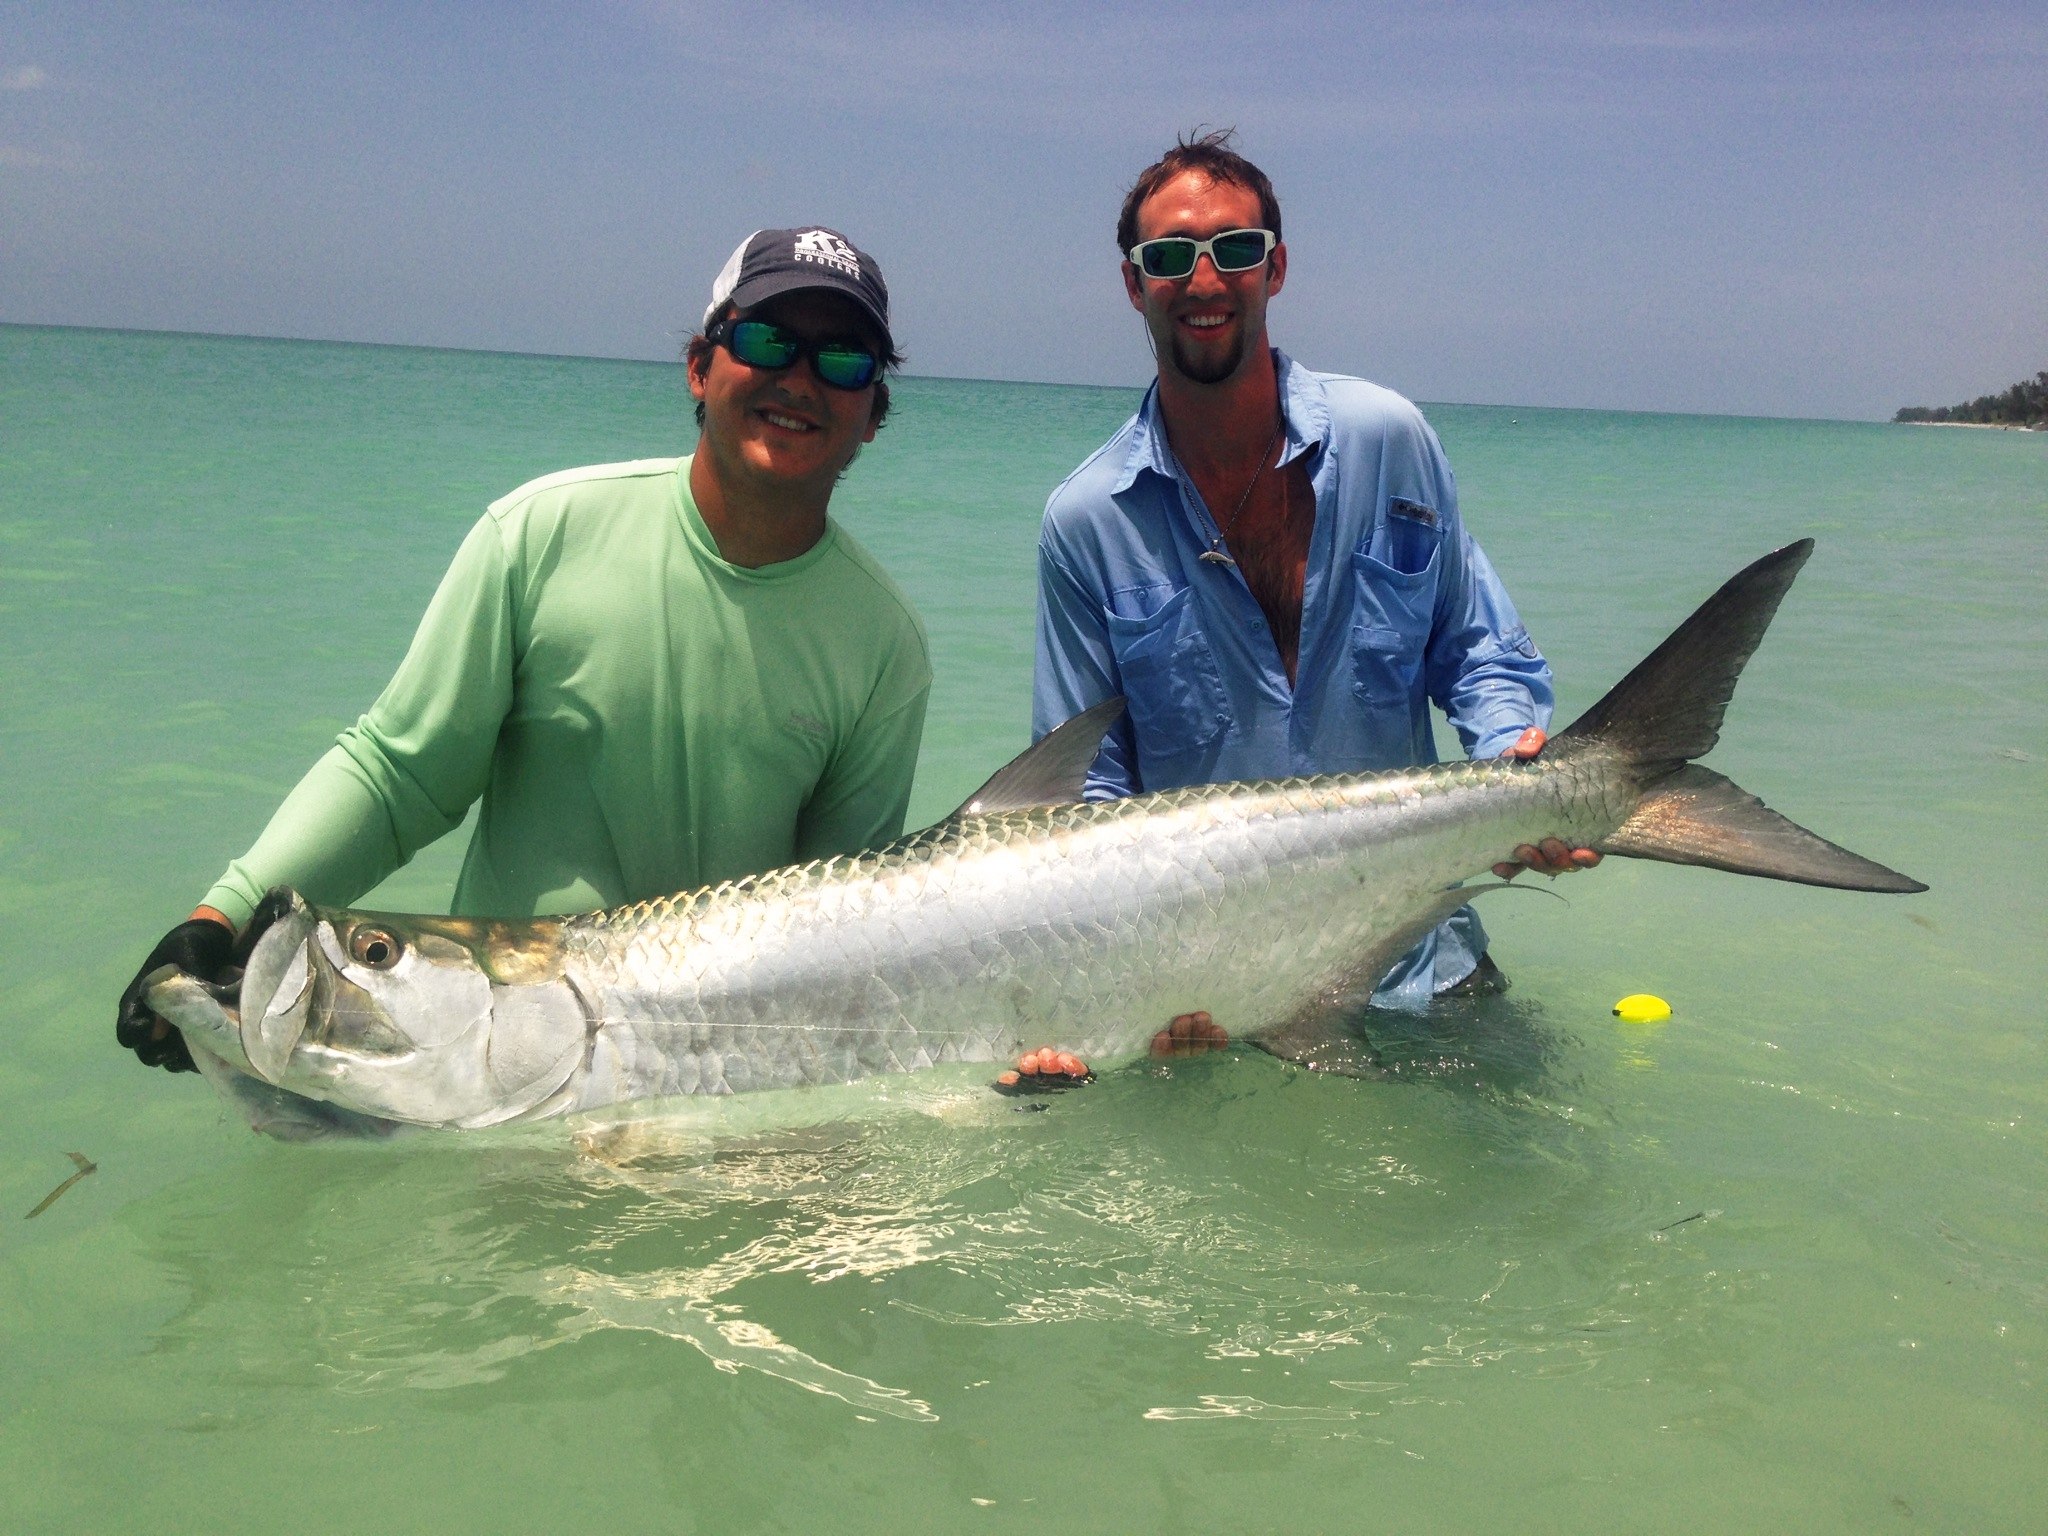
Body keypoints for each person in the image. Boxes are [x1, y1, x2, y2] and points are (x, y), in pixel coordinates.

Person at [118, 226, 932, 1074]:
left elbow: (840, 930)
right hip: (488, 1055)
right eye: (769, 341)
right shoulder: (540, 535)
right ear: (701, 365)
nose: (800, 379)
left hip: (713, 1073)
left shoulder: (885, 644)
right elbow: (402, 775)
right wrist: (227, 918)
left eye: (844, 361)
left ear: (874, 414)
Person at [1017, 133, 1593, 1086]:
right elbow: (1087, 801)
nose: (1203, 278)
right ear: (1134, 286)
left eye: (1234, 249)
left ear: (1275, 267)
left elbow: (1480, 654)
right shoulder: (1086, 522)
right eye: (1169, 258)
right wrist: (1116, 991)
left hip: (1429, 976)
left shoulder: (1389, 440)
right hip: (1220, 1014)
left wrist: (1513, 768)